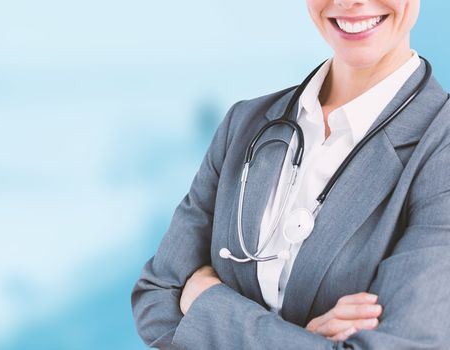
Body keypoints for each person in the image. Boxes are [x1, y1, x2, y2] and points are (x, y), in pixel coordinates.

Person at [131, 0, 450, 349]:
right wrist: (305, 340)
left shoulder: (439, 145)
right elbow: (155, 298)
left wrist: (204, 298)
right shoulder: (244, 124)